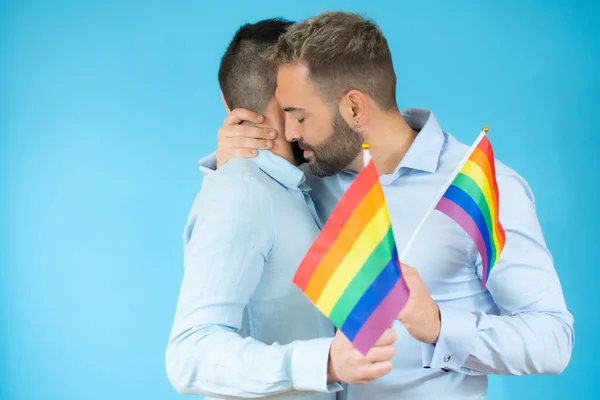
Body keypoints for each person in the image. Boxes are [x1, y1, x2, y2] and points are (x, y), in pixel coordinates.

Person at [199, 11, 574, 399]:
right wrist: (232, 169)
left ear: (355, 109)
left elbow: (553, 339)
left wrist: (439, 325)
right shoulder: (308, 177)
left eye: (299, 116)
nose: (291, 133)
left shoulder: (485, 188)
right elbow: (236, 249)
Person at [165, 18, 398, 400]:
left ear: (227, 102)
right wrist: (323, 363)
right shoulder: (241, 192)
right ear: (283, 96)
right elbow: (188, 354)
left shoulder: (297, 185)